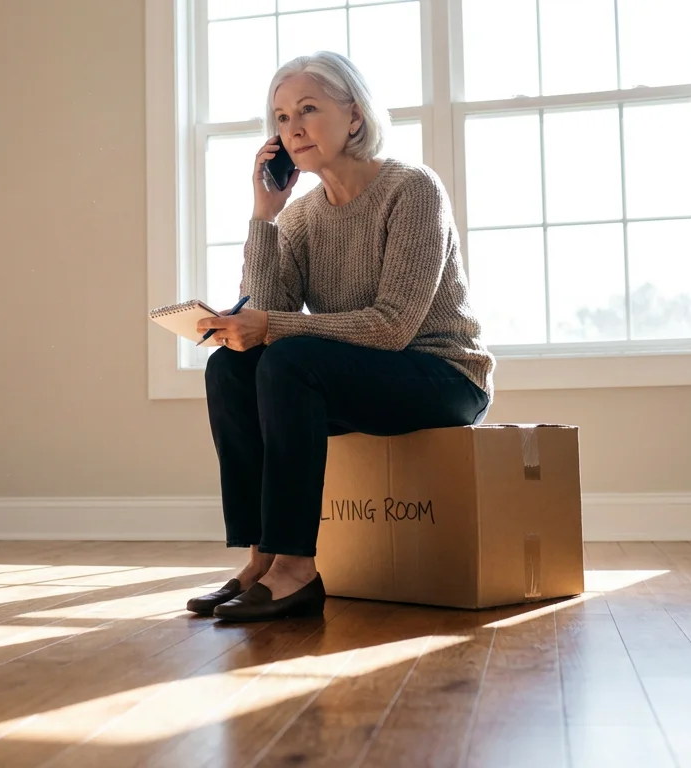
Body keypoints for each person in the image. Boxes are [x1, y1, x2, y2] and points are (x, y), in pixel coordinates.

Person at [188, 51, 495, 622]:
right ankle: (263, 557)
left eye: (308, 108)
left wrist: (271, 325)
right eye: (281, 117)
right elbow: (266, 311)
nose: (293, 127)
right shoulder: (301, 216)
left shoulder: (413, 190)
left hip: (440, 373)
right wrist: (264, 215)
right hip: (355, 378)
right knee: (231, 366)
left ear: (353, 116)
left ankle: (298, 569)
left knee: (288, 359)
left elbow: (393, 326)